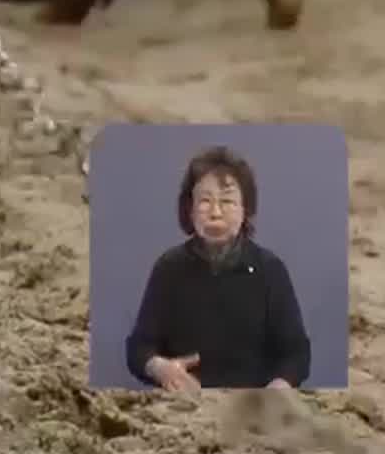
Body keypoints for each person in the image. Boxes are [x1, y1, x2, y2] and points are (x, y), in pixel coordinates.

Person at [125, 144, 311, 391]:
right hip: (184, 409)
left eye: (227, 201)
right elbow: (139, 348)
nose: (215, 212)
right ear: (189, 209)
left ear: (246, 210)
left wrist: (278, 387)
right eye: (205, 201)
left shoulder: (270, 270)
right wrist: (160, 368)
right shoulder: (169, 268)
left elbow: (296, 354)